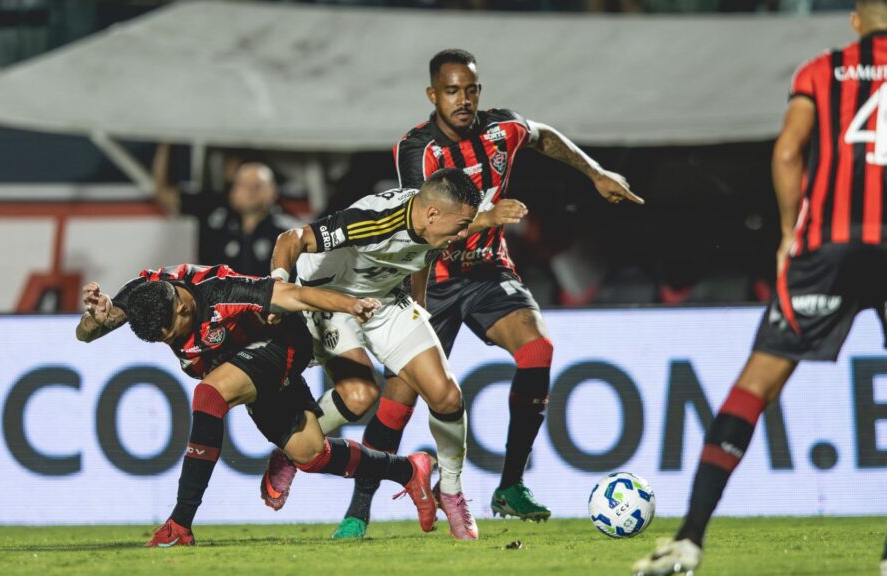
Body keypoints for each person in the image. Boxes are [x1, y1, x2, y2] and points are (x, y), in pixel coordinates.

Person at [316, 48, 642, 540]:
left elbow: (545, 137)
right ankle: (358, 510)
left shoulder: (500, 130)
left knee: (538, 350)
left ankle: (510, 485)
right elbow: (423, 226)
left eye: (470, 90)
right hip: (435, 277)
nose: (463, 100)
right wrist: (428, 288)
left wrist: (596, 173)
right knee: (397, 402)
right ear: (433, 95)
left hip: (489, 271)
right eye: (452, 91)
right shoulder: (417, 150)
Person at [634, 3, 887, 574]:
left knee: (756, 385)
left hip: (826, 247)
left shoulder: (822, 69)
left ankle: (689, 540)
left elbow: (787, 150)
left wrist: (788, 232)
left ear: (855, 21)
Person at [74, 263, 437, 546]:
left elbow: (296, 296)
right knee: (311, 455)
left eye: (172, 334)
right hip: (241, 365)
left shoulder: (223, 292)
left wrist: (352, 304)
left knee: (209, 396)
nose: (172, 341)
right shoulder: (145, 294)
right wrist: (96, 318)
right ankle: (407, 470)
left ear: (183, 308)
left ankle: (180, 523)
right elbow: (86, 334)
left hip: (283, 346)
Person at [262, 167, 485, 540]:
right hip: (331, 298)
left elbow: (421, 255)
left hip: (384, 299)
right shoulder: (373, 221)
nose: (463, 233)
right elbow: (291, 238)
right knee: (360, 395)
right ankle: (289, 449)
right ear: (433, 213)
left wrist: (420, 304)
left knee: (447, 397)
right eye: (461, 225)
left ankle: (450, 489)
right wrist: (279, 290)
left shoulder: (435, 221)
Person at [152, 143, 298, 276]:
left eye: (257, 186)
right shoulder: (212, 211)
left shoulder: (289, 231)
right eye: (244, 185)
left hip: (267, 303)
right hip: (215, 302)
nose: (250, 192)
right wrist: (166, 143)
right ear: (232, 190)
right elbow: (163, 193)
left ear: (273, 191)